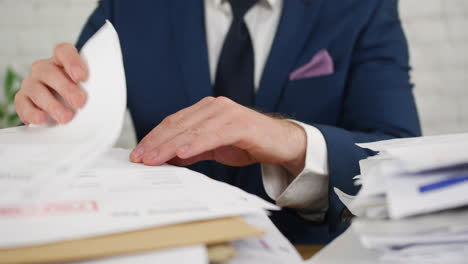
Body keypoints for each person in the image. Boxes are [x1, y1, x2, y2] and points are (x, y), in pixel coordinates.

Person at [14, 0, 421, 244]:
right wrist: (50, 111)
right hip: (161, 248)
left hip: (310, 252)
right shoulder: (129, 5)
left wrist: (290, 140)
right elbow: (77, 112)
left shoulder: (362, 7)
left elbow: (399, 157)